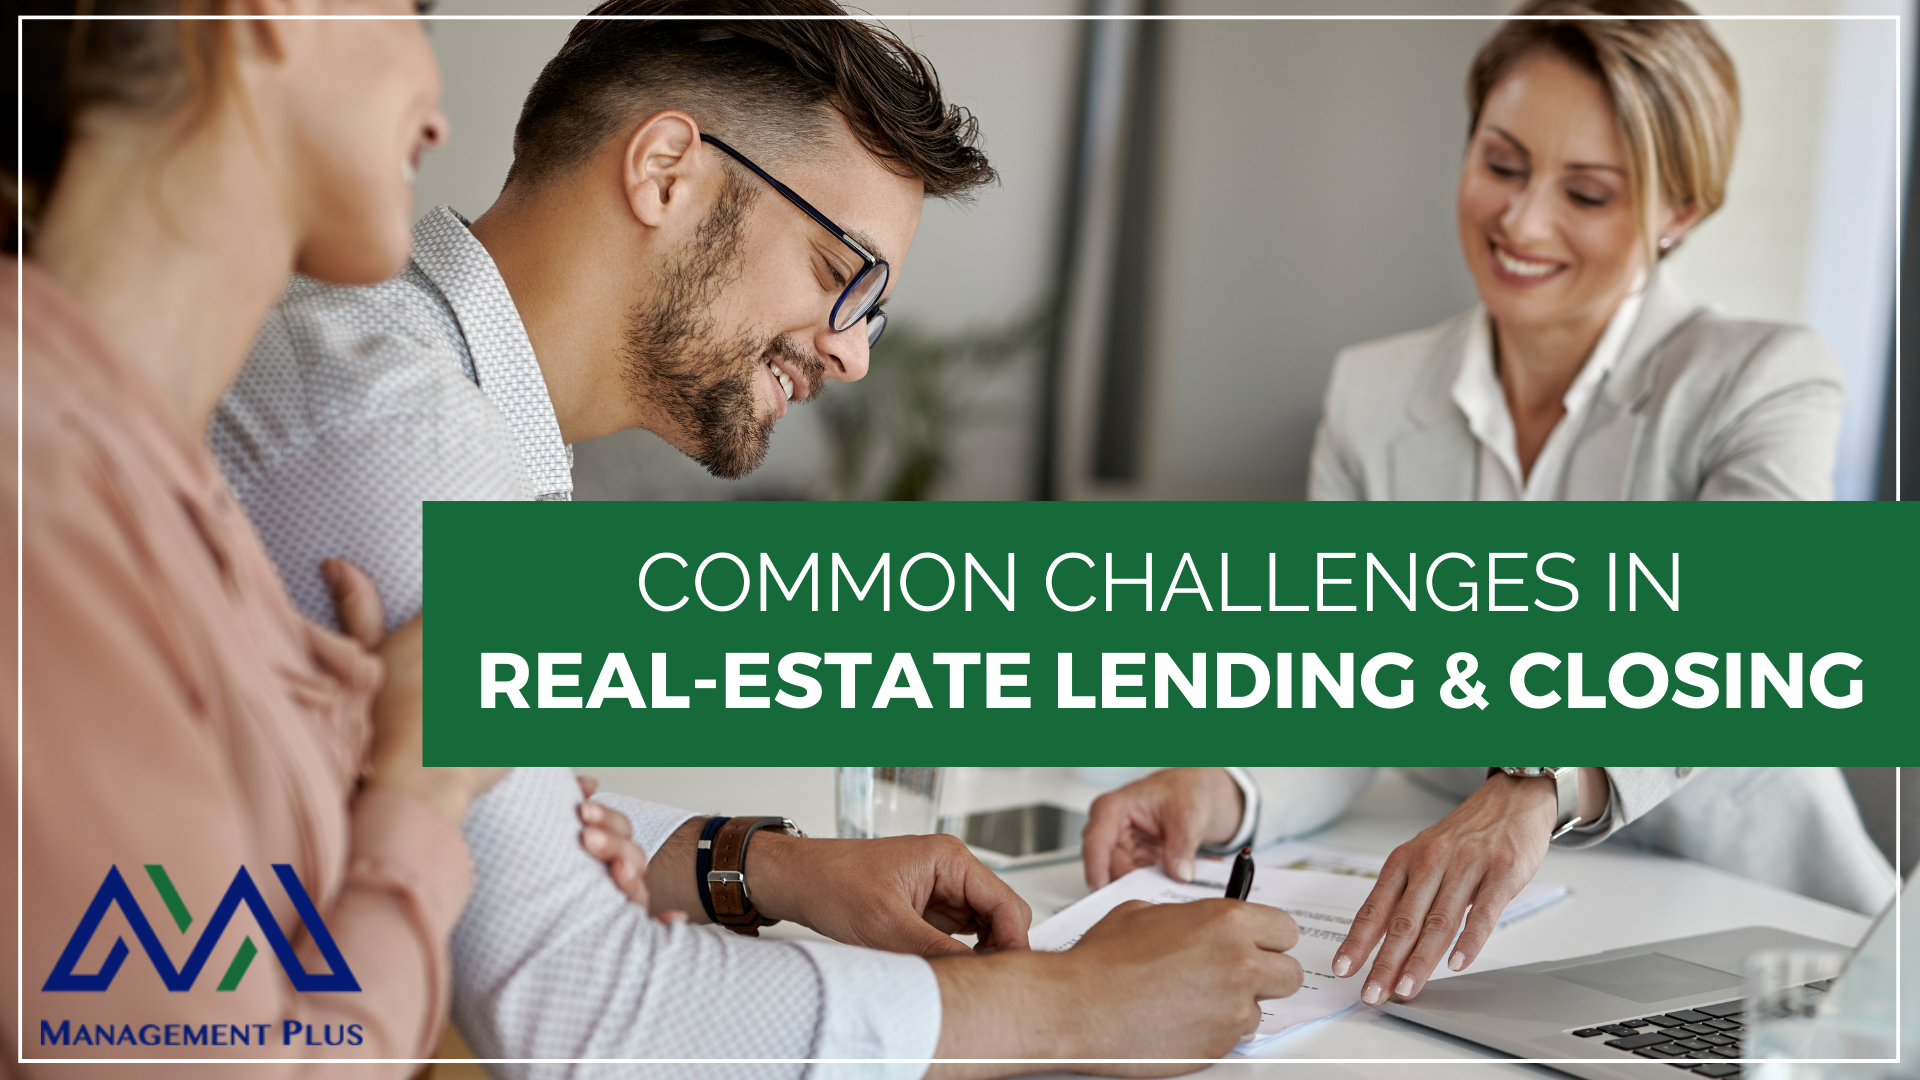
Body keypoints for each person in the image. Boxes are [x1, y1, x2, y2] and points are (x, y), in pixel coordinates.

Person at [207, 0, 1307, 1071]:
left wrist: (764, 866)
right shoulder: (412, 444)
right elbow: (578, 1008)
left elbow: (510, 827)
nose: (853, 355)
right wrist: (1070, 1004)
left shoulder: (419, 382)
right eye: (842, 276)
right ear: (667, 171)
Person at [13, 0, 508, 1068]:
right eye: (411, 17)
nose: (441, 118)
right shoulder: (39, 498)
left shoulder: (160, 492)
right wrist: (421, 789)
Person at [1307, 0, 1844, 501]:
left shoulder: (1758, 387)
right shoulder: (1367, 393)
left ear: (1680, 214)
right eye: (1502, 165)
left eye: (1588, 195)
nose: (1523, 224)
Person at [1083, 767, 1894, 1012]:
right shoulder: (1376, 393)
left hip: (1757, 876)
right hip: (1534, 897)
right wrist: (1231, 789)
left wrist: (1543, 778)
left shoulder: (1762, 363)